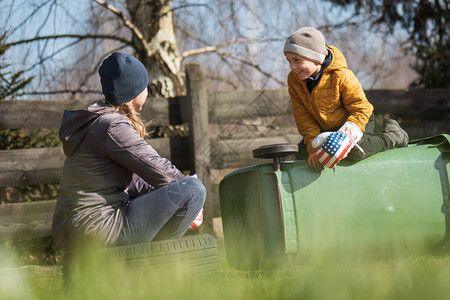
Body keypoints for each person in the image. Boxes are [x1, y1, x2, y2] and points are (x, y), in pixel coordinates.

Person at [52, 52, 205, 251]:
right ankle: (157, 268)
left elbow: (134, 181)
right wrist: (191, 200)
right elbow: (157, 168)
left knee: (183, 189)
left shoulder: (98, 122)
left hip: (78, 227)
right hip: (97, 227)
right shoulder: (113, 126)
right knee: (194, 190)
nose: (147, 92)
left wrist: (166, 193)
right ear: (133, 92)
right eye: (145, 86)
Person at [284, 27, 409, 171]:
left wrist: (346, 136)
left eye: (297, 60)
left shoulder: (342, 76)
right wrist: (313, 148)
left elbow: (362, 108)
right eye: (289, 61)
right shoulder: (294, 81)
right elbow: (303, 116)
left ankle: (392, 137)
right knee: (303, 152)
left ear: (315, 58)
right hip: (328, 128)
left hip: (357, 119)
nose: (292, 67)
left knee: (355, 151)